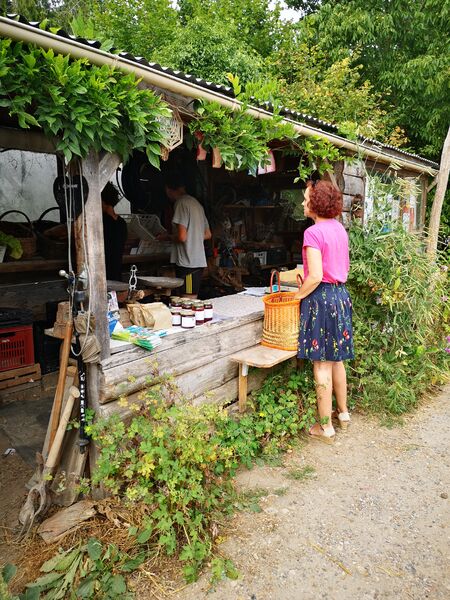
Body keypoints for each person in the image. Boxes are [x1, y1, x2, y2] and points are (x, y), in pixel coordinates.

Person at [295, 180, 354, 444]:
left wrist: (297, 296)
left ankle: (325, 427)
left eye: (306, 198)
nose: (303, 202)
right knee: (337, 360)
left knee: (321, 364)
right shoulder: (340, 229)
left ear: (316, 203)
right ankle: (343, 414)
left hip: (322, 299)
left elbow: (316, 275)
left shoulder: (314, 233)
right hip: (340, 296)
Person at [162, 172, 211, 298]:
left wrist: (167, 237)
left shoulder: (181, 204)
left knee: (188, 302)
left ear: (168, 189)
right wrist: (194, 237)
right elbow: (207, 234)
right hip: (198, 262)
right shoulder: (196, 204)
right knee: (189, 299)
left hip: (187, 263)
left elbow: (182, 237)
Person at [101, 182, 127, 281]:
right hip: (116, 273)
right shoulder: (122, 223)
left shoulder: (101, 223)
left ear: (102, 201)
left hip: (103, 274)